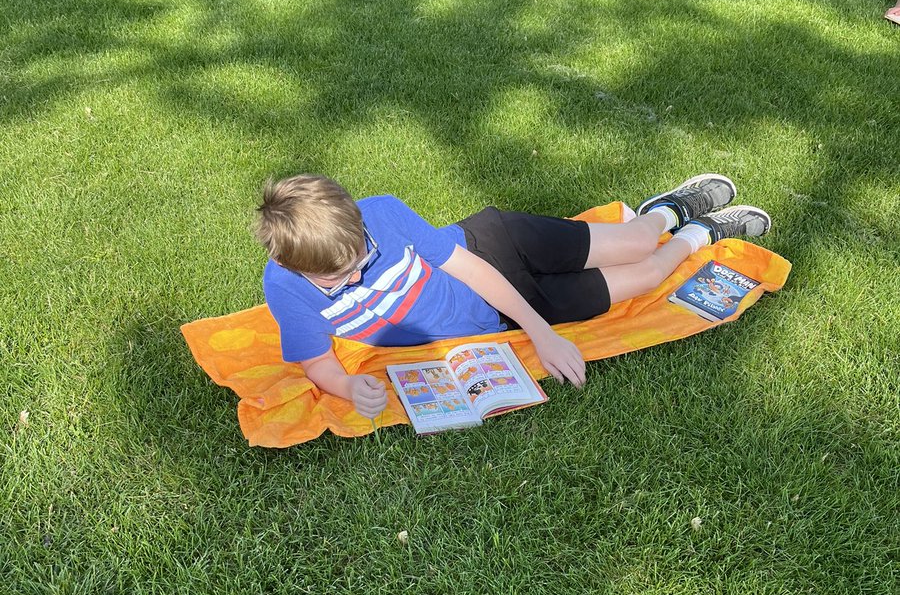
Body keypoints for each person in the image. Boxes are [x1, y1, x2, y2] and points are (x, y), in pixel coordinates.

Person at [255, 173, 772, 419]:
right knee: (648, 276)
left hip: (498, 246)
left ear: (361, 226)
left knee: (636, 241)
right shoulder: (286, 290)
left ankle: (670, 208)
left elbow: (472, 267)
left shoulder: (382, 214)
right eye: (334, 281)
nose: (353, 279)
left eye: (361, 261)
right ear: (293, 267)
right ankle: (703, 231)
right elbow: (317, 362)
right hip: (498, 321)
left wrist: (542, 334)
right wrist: (348, 388)